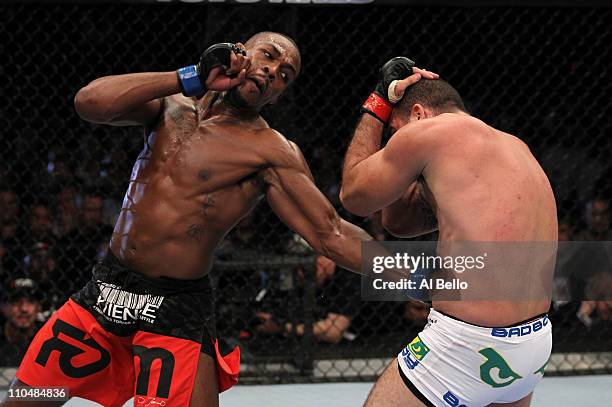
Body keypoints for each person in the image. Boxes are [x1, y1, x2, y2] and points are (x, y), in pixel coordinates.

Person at [3, 32, 372, 407]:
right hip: (105, 293)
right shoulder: (170, 105)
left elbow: (332, 233)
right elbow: (89, 102)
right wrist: (189, 76)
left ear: (277, 96)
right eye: (269, 56)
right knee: (25, 401)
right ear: (239, 53)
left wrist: (425, 271)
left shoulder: (271, 151)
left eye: (284, 75)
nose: (271, 72)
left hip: (172, 310)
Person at [341, 58, 557, 406]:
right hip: (534, 345)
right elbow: (398, 223)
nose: (396, 143)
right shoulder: (515, 147)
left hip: (467, 343)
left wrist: (379, 102)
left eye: (396, 132)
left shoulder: (427, 133)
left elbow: (354, 196)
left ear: (417, 115)